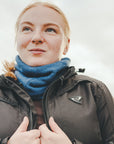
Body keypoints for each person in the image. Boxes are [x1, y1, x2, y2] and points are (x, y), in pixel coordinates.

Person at [0, 1, 113, 144]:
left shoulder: (94, 91)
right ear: (17, 40)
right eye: (27, 28)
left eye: (50, 30)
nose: (36, 38)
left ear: (66, 45)